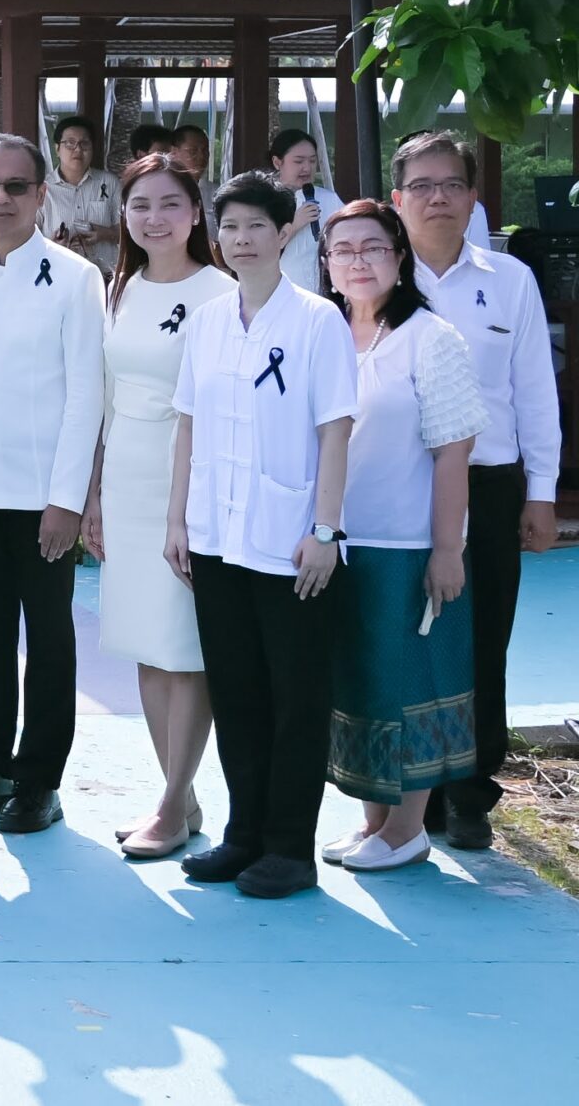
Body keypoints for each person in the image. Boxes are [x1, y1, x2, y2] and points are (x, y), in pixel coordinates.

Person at [168, 170, 357, 899]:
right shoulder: (209, 319)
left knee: (296, 698)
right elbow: (188, 425)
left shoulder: (317, 320)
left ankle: (288, 847)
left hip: (290, 541)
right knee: (237, 692)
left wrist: (326, 530)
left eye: (256, 226)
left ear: (285, 233)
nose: (241, 239)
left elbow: (335, 429)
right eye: (230, 227)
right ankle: (243, 835)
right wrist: (178, 519)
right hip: (216, 537)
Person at [393, 130, 562, 851]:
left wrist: (541, 492)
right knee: (406, 637)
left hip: (489, 484)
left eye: (451, 185)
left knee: (482, 638)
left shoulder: (510, 279)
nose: (437, 197)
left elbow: (534, 390)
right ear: (397, 198)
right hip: (397, 484)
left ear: (472, 198)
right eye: (422, 186)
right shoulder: (370, 275)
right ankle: (412, 790)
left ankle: (469, 792)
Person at [0, 136, 104, 835]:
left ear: (41, 195)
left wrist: (67, 498)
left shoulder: (75, 278)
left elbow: (86, 395)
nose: (0, 198)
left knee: (50, 640)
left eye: (15, 187)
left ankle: (39, 780)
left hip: (42, 498)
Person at [318, 200, 483, 872]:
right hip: (335, 543)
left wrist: (446, 549)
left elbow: (453, 449)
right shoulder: (323, 334)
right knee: (356, 680)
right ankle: (374, 821)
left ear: (399, 257)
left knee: (407, 682)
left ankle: (409, 828)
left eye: (373, 247)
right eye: (343, 249)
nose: (357, 261)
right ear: (326, 264)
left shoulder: (430, 337)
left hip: (406, 545)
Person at [84, 154, 234, 859]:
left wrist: (190, 507)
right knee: (146, 646)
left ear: (196, 213)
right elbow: (107, 400)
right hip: (126, 481)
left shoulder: (221, 293)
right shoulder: (120, 289)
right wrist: (93, 493)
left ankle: (172, 807)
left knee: (185, 649)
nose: (154, 218)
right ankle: (181, 796)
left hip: (191, 484)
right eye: (140, 204)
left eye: (171, 203)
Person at [42, 116, 120, 279]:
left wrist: (105, 234)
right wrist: (53, 245)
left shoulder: (109, 182)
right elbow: (27, 237)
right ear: (57, 149)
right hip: (57, 275)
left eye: (84, 143)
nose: (77, 149)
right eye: (70, 143)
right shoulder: (43, 189)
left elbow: (128, 231)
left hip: (104, 277)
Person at [270, 129, 342, 294]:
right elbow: (259, 249)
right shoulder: (264, 201)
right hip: (281, 292)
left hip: (325, 293)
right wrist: (294, 225)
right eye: (298, 161)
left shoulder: (329, 199)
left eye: (312, 161)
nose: (307, 168)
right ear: (277, 162)